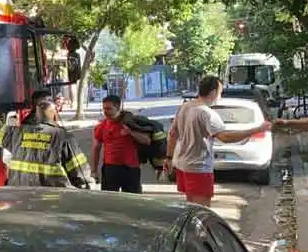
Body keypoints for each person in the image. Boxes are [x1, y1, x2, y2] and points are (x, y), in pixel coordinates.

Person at [166, 75, 271, 206]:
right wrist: (256, 130)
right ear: (213, 92)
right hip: (198, 167)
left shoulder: (185, 107)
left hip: (182, 165)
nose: (220, 96)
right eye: (220, 92)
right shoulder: (207, 113)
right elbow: (225, 137)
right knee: (202, 210)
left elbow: (172, 134)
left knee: (191, 206)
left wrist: (169, 158)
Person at [0, 92, 92, 188]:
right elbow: (81, 174)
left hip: (21, 198)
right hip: (53, 200)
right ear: (54, 115)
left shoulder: (17, 133)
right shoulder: (63, 137)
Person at [91, 95, 150, 193]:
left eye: (109, 109)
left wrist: (131, 132)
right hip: (110, 169)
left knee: (133, 201)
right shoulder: (101, 126)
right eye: (104, 109)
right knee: (110, 202)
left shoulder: (131, 122)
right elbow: (96, 148)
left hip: (131, 168)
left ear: (118, 107)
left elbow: (147, 140)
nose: (105, 112)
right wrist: (94, 171)